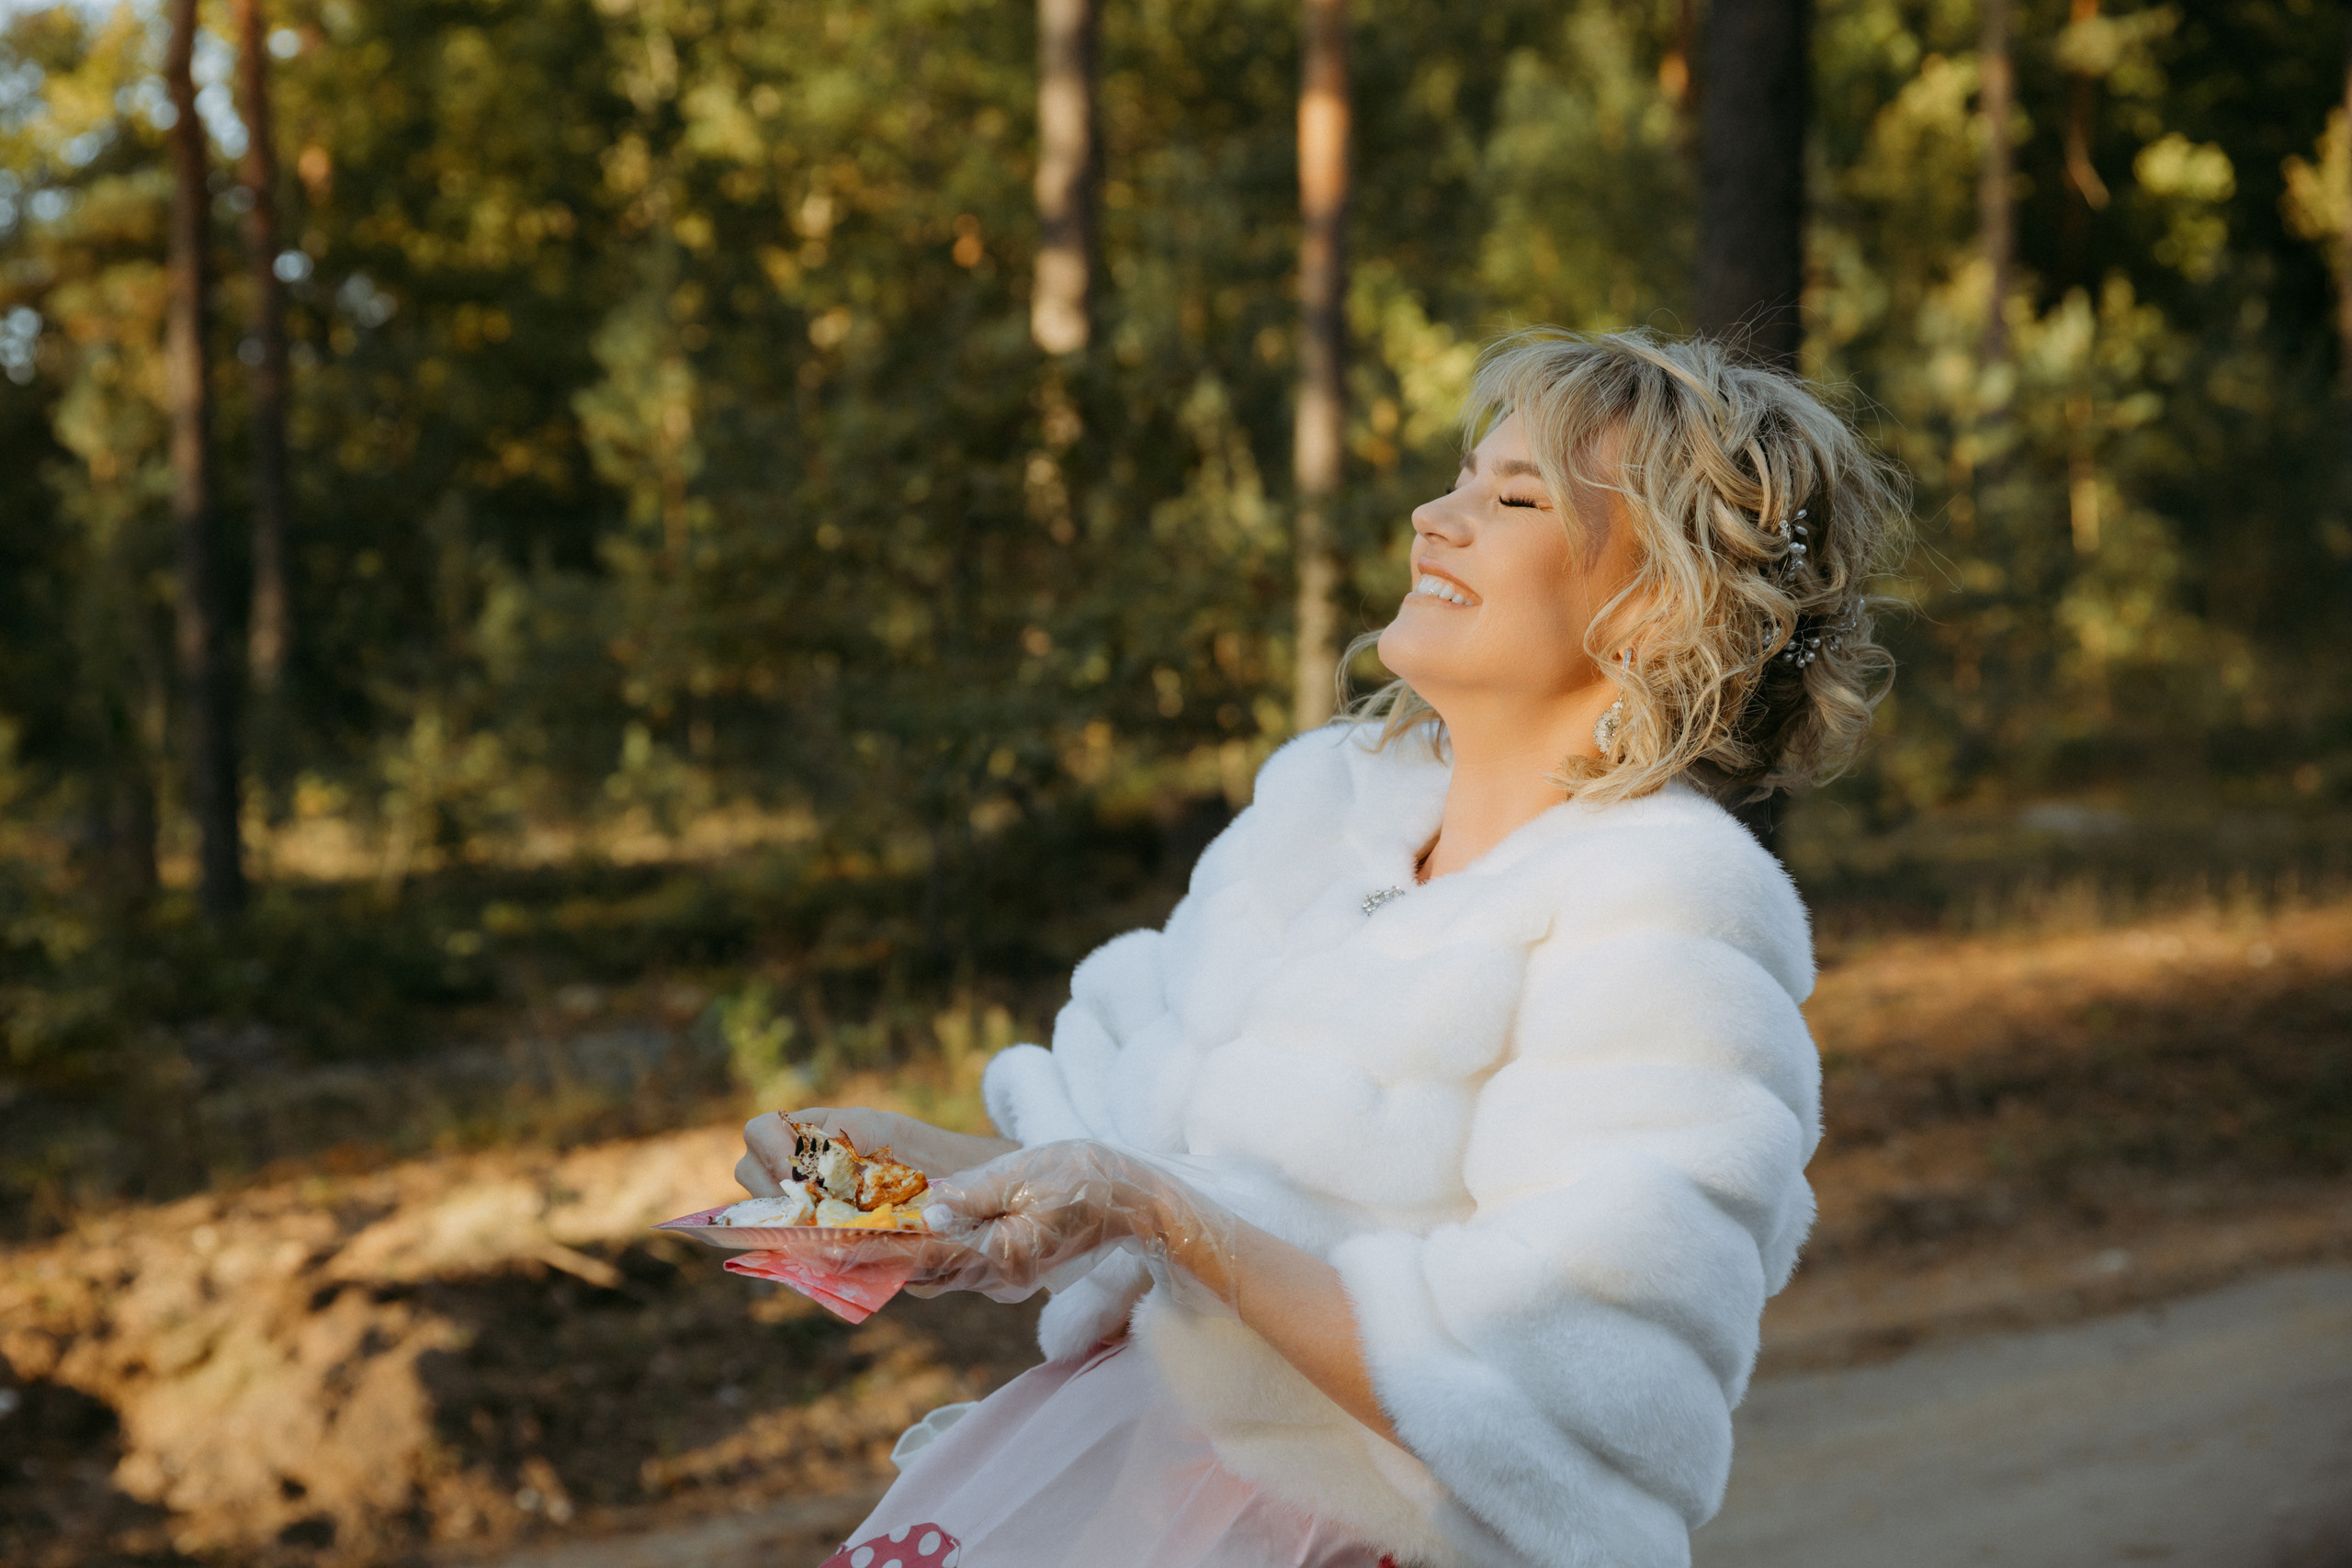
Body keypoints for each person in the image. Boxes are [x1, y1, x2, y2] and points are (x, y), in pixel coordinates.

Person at [735, 328, 1903, 1568]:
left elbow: (1569, 1398)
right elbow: (1116, 1184)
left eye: (1513, 498)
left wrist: (1152, 1213)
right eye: (1461, 476)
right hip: (1110, 1483)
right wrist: (897, 1183)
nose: (1433, 518)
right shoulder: (1320, 823)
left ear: (1656, 603)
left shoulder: (1669, 921)